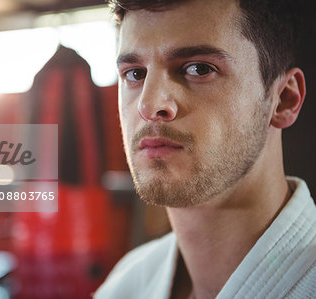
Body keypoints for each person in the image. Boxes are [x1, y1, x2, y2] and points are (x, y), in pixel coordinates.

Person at [94, 0, 315, 298]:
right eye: (134, 74)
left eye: (198, 69)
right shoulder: (126, 283)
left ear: (284, 100)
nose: (148, 106)